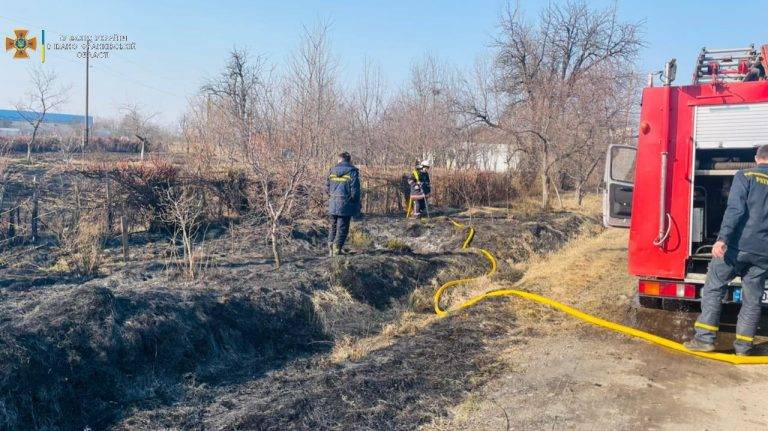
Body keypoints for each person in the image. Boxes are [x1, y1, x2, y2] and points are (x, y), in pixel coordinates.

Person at [684, 144, 768, 356]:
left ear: (757, 158)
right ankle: (743, 348)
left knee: (713, 287)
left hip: (737, 248)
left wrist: (722, 239)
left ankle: (704, 339)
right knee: (752, 300)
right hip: (763, 253)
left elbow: (735, 210)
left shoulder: (745, 175)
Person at [327, 151, 361, 256]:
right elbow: (355, 190)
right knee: (342, 228)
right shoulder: (352, 171)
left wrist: (332, 197)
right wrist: (355, 202)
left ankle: (330, 250)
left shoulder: (331, 170)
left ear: (339, 159)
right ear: (349, 160)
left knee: (333, 226)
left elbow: (327, 188)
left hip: (333, 203)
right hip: (345, 204)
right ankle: (337, 252)